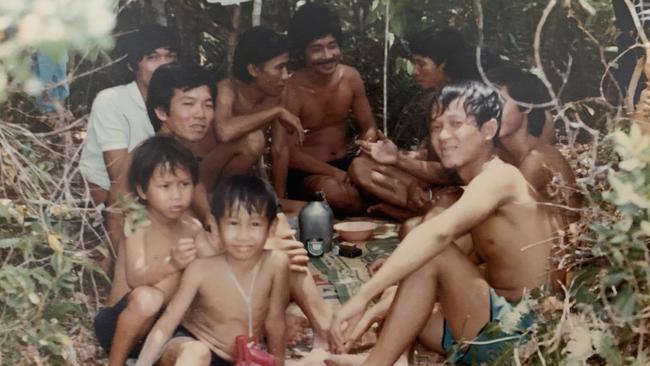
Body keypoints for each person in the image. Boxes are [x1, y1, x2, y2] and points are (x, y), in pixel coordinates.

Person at [330, 80, 563, 365]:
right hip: (481, 328)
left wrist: (361, 298)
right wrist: (378, 305)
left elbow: (437, 237)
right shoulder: (478, 184)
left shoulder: (501, 178)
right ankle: (394, 357)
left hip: (519, 336)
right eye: (437, 126)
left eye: (456, 123)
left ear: (488, 130)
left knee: (432, 253)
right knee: (405, 287)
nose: (443, 136)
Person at [147, 62, 332, 350]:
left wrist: (269, 237)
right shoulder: (155, 160)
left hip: (196, 263)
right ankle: (323, 326)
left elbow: (208, 219)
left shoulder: (180, 154)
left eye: (207, 105)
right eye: (188, 104)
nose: (201, 115)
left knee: (278, 240)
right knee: (276, 254)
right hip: (172, 281)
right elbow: (194, 235)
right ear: (161, 112)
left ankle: (320, 325)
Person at [136, 175, 289, 366]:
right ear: (215, 227)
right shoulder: (201, 270)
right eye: (233, 224)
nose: (243, 236)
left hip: (239, 357)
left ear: (272, 228)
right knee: (197, 353)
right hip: (191, 346)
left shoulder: (276, 263)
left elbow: (275, 321)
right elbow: (165, 326)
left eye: (255, 224)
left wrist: (278, 362)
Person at [94, 136, 218, 366]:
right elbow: (136, 276)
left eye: (185, 184)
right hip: (121, 324)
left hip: (161, 330)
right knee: (147, 298)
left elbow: (218, 270)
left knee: (196, 351)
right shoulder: (137, 220)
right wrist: (172, 264)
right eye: (165, 186)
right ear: (142, 190)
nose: (176, 195)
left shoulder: (192, 228)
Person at [349, 27, 473, 220]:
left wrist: (399, 159)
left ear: (445, 64)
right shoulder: (437, 97)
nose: (414, 72)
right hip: (440, 183)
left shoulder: (463, 101)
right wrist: (410, 170)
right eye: (413, 63)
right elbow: (434, 155)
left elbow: (451, 174)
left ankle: (418, 212)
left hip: (462, 189)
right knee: (362, 166)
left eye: (421, 64)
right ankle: (419, 209)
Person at [79, 24, 179, 260]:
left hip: (158, 194)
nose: (164, 65)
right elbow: (119, 175)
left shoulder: (180, 100)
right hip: (110, 202)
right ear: (133, 64)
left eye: (170, 57)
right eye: (152, 57)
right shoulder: (112, 100)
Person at [193, 26, 305, 228]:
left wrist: (277, 202)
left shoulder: (278, 92)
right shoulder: (226, 89)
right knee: (254, 139)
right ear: (254, 70)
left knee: (309, 211)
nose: (286, 75)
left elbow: (280, 149)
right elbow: (225, 132)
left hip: (237, 182)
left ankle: (239, 206)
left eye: (287, 67)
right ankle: (221, 208)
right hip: (203, 180)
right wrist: (276, 112)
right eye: (279, 67)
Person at [285, 2, 378, 215]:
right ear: (303, 51)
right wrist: (333, 173)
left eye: (332, 45)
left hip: (347, 164)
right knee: (338, 194)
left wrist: (365, 156)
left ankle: (379, 206)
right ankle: (379, 208)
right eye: (317, 49)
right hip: (308, 172)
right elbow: (291, 154)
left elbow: (369, 127)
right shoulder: (292, 88)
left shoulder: (351, 77)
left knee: (392, 176)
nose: (327, 55)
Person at [488, 66, 580, 223]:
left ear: (527, 106)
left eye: (500, 103)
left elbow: (503, 215)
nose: (492, 112)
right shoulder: (501, 154)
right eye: (487, 105)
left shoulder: (537, 158)